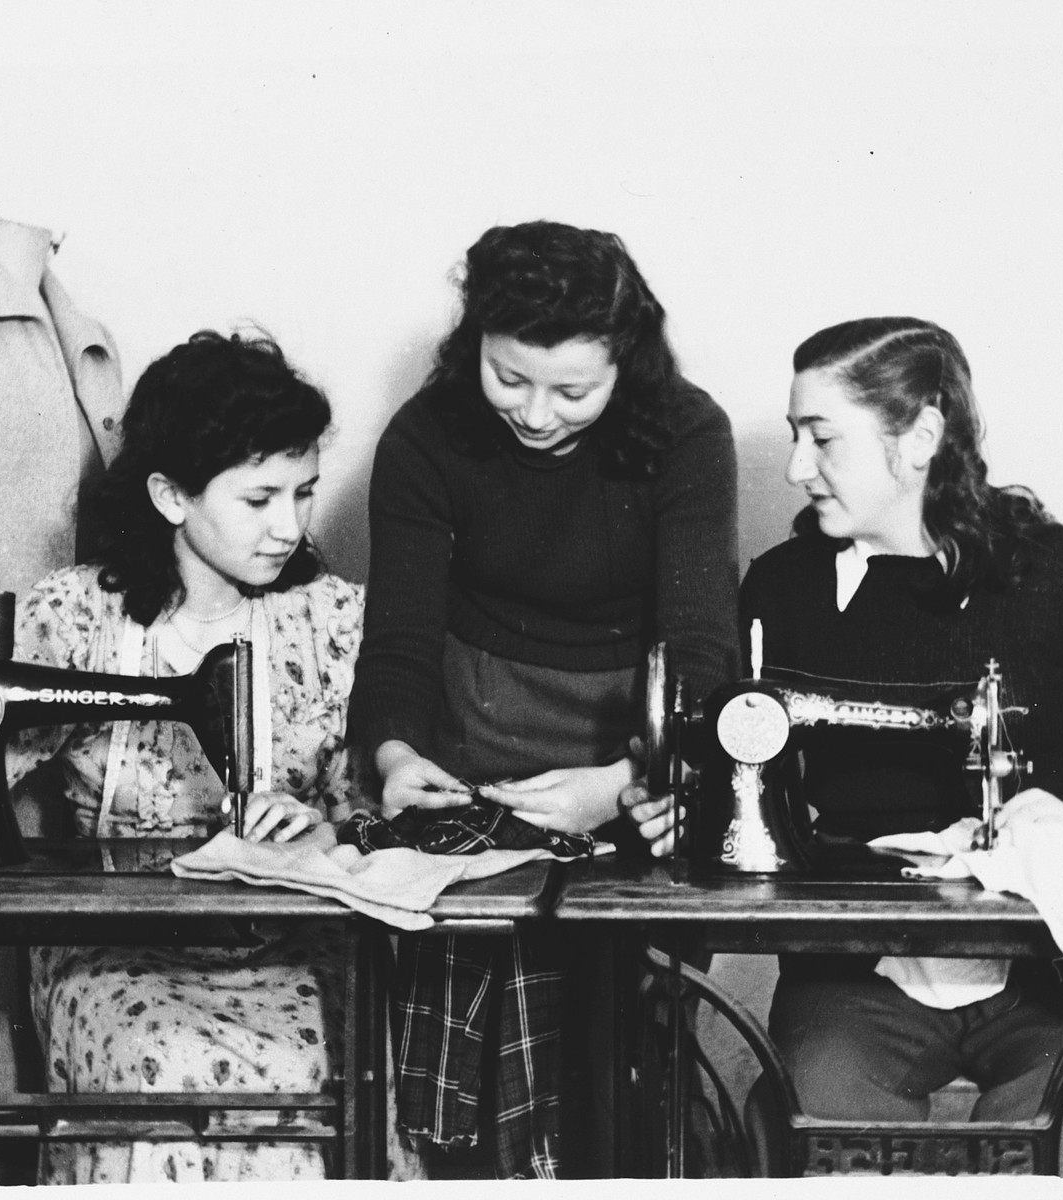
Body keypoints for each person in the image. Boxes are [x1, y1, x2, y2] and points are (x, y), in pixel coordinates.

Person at [0, 330, 421, 1184]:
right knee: (159, 1057)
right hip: (113, 949)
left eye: (305, 493)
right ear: (171, 496)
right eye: (259, 500)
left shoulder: (338, 622)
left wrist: (324, 825)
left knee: (319, 1062)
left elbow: (390, 813)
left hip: (301, 945)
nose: (291, 526)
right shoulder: (77, 621)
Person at [624, 317, 1063, 1177]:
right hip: (858, 976)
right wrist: (694, 811)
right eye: (795, 436)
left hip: (1050, 973)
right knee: (811, 1123)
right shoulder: (783, 591)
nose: (794, 467)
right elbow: (730, 763)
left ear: (922, 437)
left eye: (821, 438)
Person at [348, 220, 740, 1176]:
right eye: (508, 377)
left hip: (635, 768)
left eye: (573, 390)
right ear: (472, 346)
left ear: (627, 362)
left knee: (610, 1014)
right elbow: (397, 643)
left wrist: (619, 786)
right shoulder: (425, 440)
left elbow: (702, 657)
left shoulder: (688, 434)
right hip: (474, 764)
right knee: (470, 965)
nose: (535, 412)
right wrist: (396, 760)